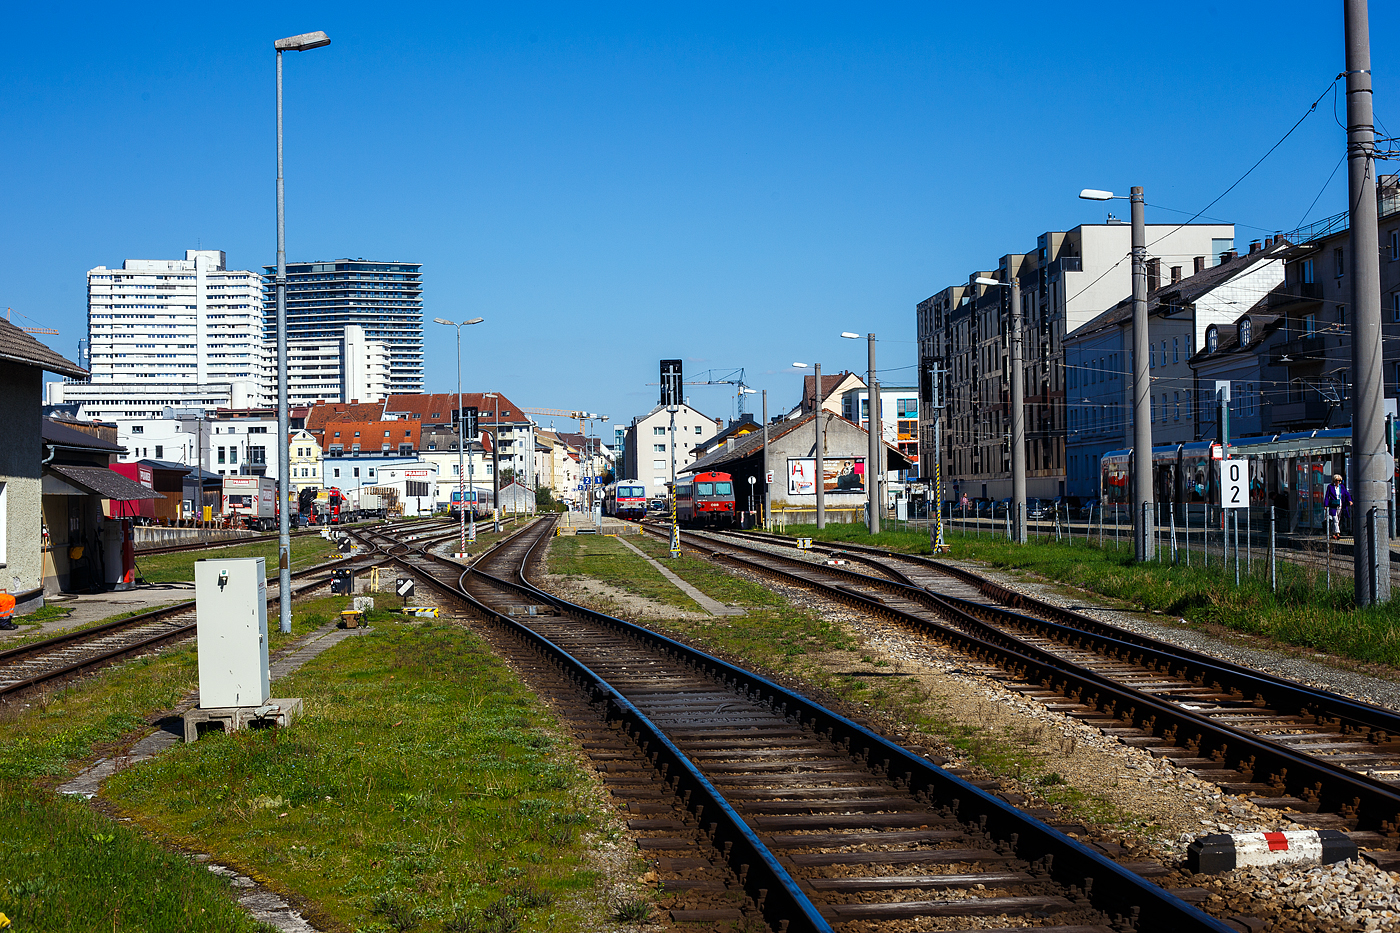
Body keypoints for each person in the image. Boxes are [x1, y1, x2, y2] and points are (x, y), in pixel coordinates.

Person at [1324, 473, 1351, 540]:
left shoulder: (1341, 487)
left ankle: (1333, 533)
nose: (1338, 482)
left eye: (1339, 480)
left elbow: (1346, 494)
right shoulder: (1330, 487)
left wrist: (1349, 500)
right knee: (1335, 519)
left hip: (1340, 504)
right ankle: (1338, 533)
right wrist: (1326, 505)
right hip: (1333, 505)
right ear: (1334, 480)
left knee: (1338, 519)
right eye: (1336, 480)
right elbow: (1327, 496)